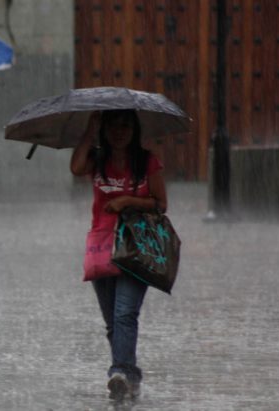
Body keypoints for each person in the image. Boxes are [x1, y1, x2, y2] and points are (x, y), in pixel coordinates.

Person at [70, 109, 167, 400]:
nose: (119, 131)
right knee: (114, 321)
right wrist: (90, 130)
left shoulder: (147, 162)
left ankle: (119, 371)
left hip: (136, 247)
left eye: (125, 125)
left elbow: (161, 204)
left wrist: (127, 200)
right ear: (105, 129)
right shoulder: (97, 159)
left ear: (134, 129)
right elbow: (75, 167)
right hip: (102, 246)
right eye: (113, 126)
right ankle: (130, 374)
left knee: (125, 313)